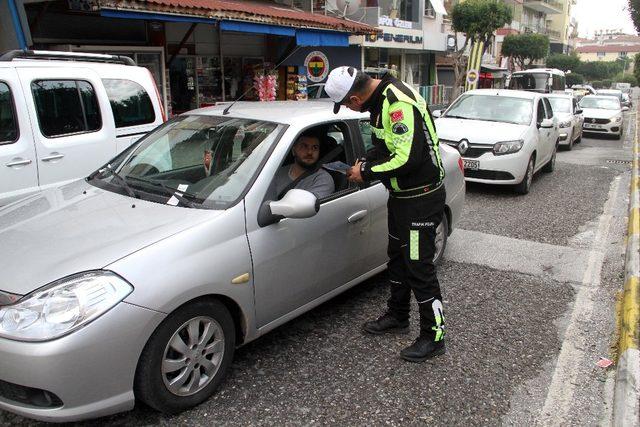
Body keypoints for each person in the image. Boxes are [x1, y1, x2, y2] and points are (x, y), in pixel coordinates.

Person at [325, 66, 447, 362]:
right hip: (401, 198)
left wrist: (364, 171)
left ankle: (434, 336)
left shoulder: (398, 102)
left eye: (346, 105)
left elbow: (407, 158)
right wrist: (367, 158)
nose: (350, 108)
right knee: (397, 258)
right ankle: (397, 315)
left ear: (354, 98)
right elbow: (386, 146)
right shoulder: (379, 102)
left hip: (421, 199)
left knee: (419, 266)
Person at [274, 132, 335, 200]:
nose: (310, 152)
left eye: (315, 148)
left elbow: (307, 206)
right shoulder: (279, 172)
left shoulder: (323, 179)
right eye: (304, 146)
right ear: (294, 151)